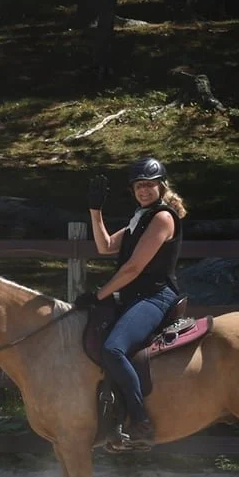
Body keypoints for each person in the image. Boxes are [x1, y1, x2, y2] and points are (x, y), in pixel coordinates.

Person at [84, 155, 186, 450]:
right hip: (135, 297)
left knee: (113, 349)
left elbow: (133, 268)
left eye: (149, 185)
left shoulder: (162, 218)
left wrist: (99, 295)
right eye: (138, 186)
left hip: (156, 296)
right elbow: (104, 246)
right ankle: (112, 419)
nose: (143, 190)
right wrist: (95, 211)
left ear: (161, 186)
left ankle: (140, 421)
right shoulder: (139, 218)